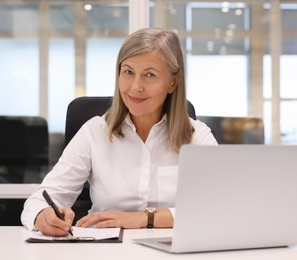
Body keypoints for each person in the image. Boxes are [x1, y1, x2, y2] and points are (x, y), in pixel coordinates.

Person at [21, 28, 218, 236]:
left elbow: (222, 206)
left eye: (149, 75)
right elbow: (38, 201)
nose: (135, 87)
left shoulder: (197, 136)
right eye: (128, 72)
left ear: (172, 83)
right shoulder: (94, 132)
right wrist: (43, 216)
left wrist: (144, 218)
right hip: (105, 251)